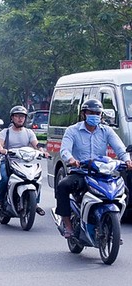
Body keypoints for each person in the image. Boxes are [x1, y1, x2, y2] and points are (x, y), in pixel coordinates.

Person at [56, 98, 132, 237]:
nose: (95, 116)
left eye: (97, 113)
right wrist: (71, 159)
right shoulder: (72, 131)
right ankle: (67, 225)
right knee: (62, 185)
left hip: (102, 174)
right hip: (81, 173)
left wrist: (127, 161)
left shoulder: (106, 131)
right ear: (84, 113)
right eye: (91, 112)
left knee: (124, 190)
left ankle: (115, 224)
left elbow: (120, 149)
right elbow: (65, 150)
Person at [0, 105, 50, 214]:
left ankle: (35, 203)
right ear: (12, 118)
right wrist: (2, 150)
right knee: (5, 178)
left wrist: (42, 151)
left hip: (24, 162)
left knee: (36, 178)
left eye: (22, 116)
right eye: (17, 116)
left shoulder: (29, 132)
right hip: (9, 161)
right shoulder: (6, 132)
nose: (20, 119)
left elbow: (36, 145)